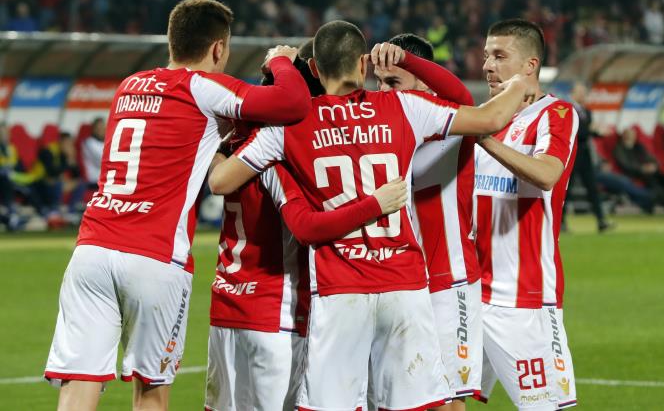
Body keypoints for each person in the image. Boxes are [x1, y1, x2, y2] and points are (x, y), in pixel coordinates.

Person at [209, 20, 534, 410]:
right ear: (363, 64)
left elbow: (221, 181)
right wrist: (520, 83)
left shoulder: (289, 127)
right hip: (404, 286)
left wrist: (278, 69)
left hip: (340, 289)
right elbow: (490, 117)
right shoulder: (403, 107)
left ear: (314, 69)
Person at [44, 0, 311, 411]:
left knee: (78, 386)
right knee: (151, 393)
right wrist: (281, 61)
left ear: (172, 40)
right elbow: (292, 104)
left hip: (92, 249)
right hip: (154, 256)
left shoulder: (128, 86)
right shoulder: (203, 88)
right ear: (218, 48)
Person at [204, 41, 407, 411]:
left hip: (227, 305)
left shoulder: (238, 140)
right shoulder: (283, 149)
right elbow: (306, 225)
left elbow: (217, 181)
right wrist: (376, 203)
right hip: (277, 312)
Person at [373, 33, 481, 411]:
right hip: (403, 281)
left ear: (423, 81)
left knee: (449, 401)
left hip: (449, 280)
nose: (384, 92)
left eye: (394, 81)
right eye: (379, 82)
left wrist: (407, 58)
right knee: (408, 397)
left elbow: (463, 97)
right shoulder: (382, 130)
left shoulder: (450, 124)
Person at [474, 19, 577, 410]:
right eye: (487, 56)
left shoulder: (556, 113)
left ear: (530, 65)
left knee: (543, 407)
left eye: (500, 56)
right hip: (468, 290)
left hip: (523, 299)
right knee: (443, 400)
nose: (488, 65)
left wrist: (483, 138)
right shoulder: (484, 116)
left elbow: (548, 174)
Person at [563, 82, 613, 232]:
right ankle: (561, 222)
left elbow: (586, 133)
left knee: (592, 188)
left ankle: (601, 220)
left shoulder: (587, 111)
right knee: (566, 189)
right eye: (581, 92)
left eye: (584, 92)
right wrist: (593, 130)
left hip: (585, 155)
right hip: (572, 155)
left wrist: (598, 132)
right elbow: (576, 131)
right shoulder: (567, 109)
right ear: (573, 93)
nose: (583, 95)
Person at [613, 127, 664, 213]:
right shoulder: (619, 149)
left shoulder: (639, 146)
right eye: (628, 134)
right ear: (623, 136)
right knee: (655, 185)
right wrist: (641, 168)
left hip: (650, 172)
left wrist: (653, 165)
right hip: (636, 174)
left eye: (632, 135)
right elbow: (625, 165)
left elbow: (650, 157)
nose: (630, 137)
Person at [81, 117, 106, 189]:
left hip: (106, 179)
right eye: (98, 128)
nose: (101, 130)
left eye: (103, 128)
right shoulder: (89, 142)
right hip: (94, 179)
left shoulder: (106, 142)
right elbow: (102, 162)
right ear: (93, 129)